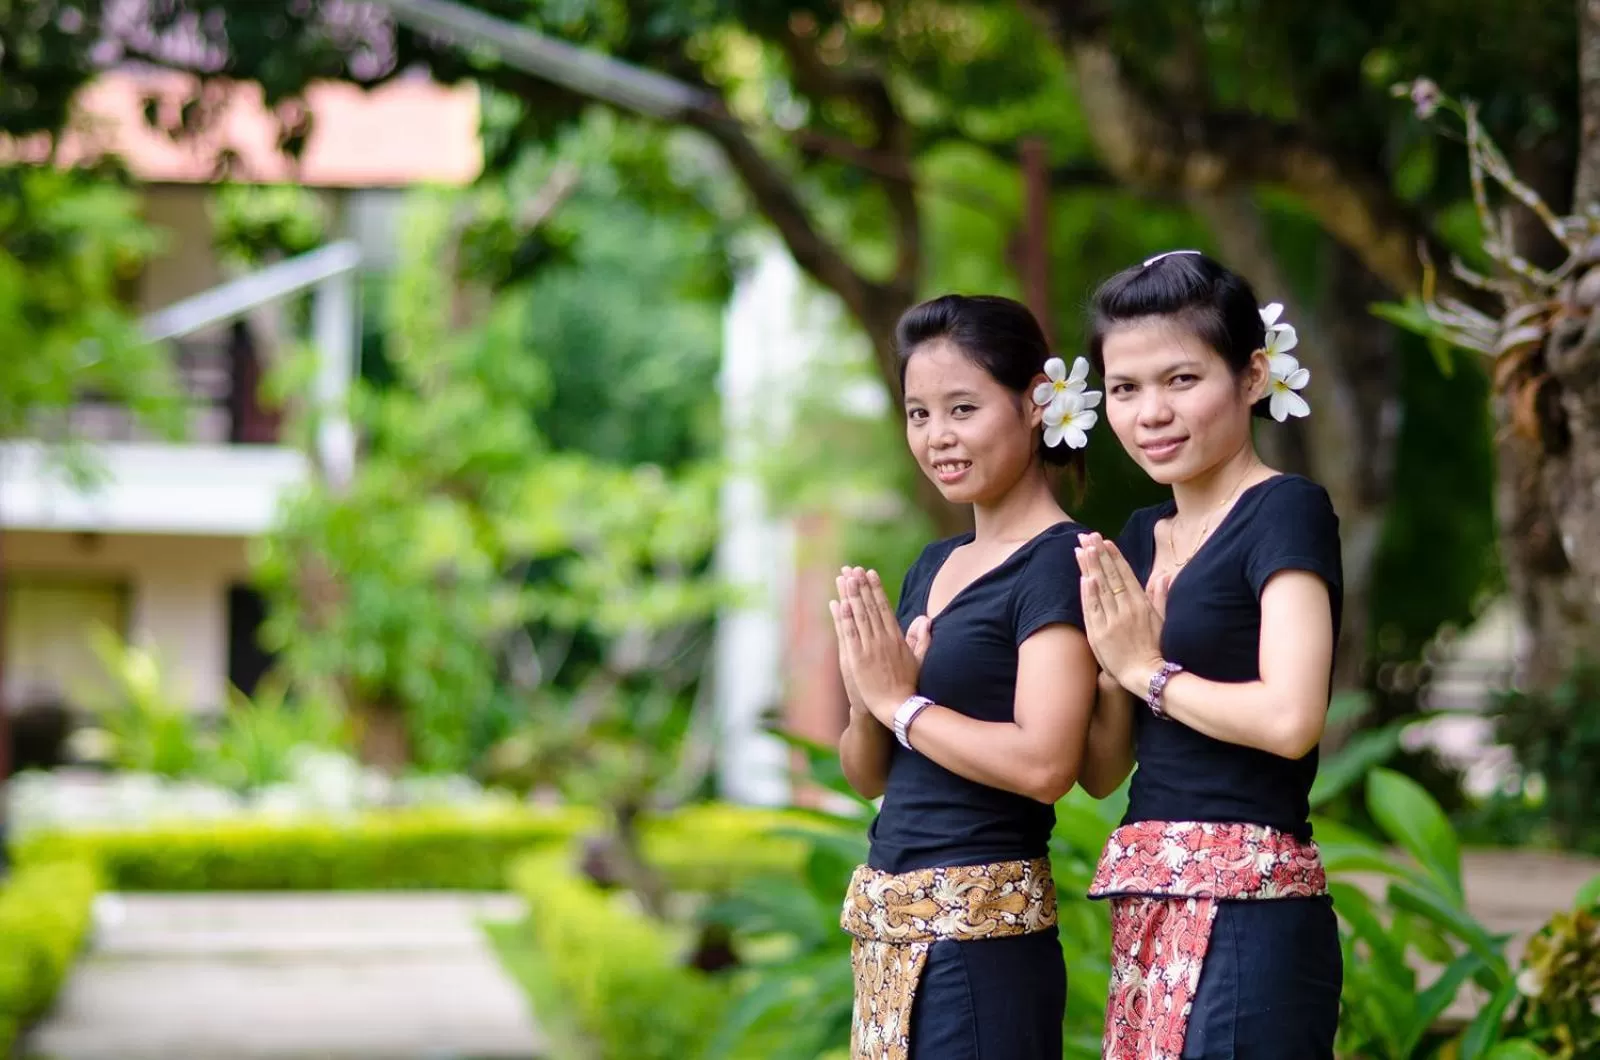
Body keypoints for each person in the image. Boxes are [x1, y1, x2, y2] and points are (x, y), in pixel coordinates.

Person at [1071, 250, 1343, 1059]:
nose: (1151, 412)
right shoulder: (1137, 537)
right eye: (1125, 388)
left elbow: (1290, 718)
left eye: (1182, 380)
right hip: (1148, 896)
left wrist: (1146, 670)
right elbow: (1103, 770)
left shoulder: (1285, 510)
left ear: (1252, 375)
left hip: (1253, 910)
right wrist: (1114, 670)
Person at [829, 293, 1103, 1060]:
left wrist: (901, 703)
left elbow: (1047, 764)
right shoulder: (934, 564)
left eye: (962, 408)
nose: (937, 436)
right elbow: (868, 776)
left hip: (982, 949)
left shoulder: (1061, 562)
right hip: (890, 936)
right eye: (918, 414)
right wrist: (867, 701)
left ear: (1035, 403)